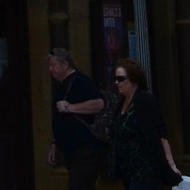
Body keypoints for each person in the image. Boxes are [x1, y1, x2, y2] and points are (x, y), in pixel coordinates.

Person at [109, 59, 182, 190]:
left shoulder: (145, 101)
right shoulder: (122, 102)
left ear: (133, 79)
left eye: (120, 79)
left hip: (146, 169)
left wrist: (171, 164)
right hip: (128, 170)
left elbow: (161, 134)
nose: (116, 82)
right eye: (115, 78)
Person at [45, 47, 107, 190]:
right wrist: (55, 144)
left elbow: (99, 103)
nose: (50, 69)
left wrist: (71, 107)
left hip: (86, 149)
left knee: (78, 186)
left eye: (53, 65)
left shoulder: (80, 81)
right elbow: (59, 118)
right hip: (71, 150)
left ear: (65, 64)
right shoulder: (61, 86)